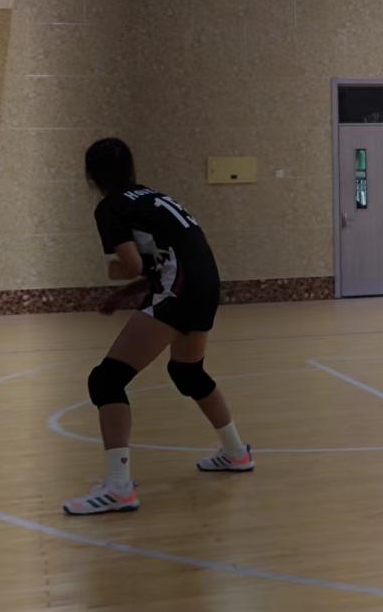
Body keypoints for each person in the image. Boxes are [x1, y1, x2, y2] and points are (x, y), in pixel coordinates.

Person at [63, 138, 252, 516]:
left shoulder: (111, 207)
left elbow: (132, 264)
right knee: (187, 372)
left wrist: (115, 273)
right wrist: (126, 295)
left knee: (106, 381)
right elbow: (166, 261)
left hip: (180, 291)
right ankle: (236, 452)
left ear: (91, 175)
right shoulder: (152, 198)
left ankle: (118, 488)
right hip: (205, 285)